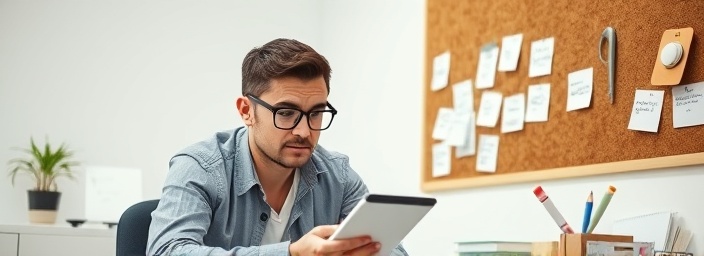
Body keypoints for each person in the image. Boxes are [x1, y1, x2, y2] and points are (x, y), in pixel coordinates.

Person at [147, 38, 409, 256]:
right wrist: (291, 253)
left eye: (316, 113)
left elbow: (392, 250)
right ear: (246, 111)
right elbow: (167, 250)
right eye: (286, 113)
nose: (304, 131)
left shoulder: (338, 176)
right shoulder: (200, 166)